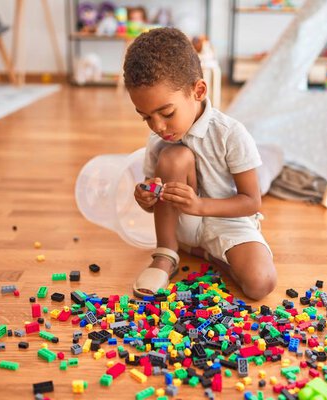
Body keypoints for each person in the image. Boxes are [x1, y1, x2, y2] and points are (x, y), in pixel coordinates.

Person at [123, 27, 276, 300]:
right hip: (181, 224)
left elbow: (252, 201)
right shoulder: (157, 139)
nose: (157, 126)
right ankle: (167, 253)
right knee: (173, 156)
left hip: (227, 220)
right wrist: (148, 197)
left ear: (198, 91)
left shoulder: (231, 134)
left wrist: (199, 206)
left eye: (166, 113)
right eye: (146, 117)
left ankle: (204, 253)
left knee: (261, 283)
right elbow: (157, 193)